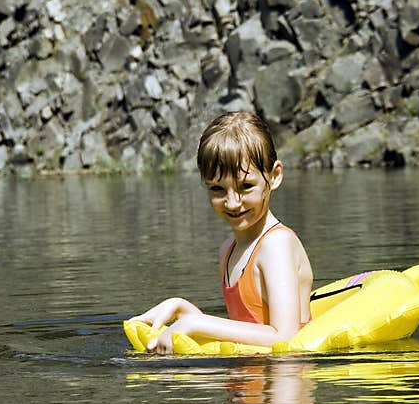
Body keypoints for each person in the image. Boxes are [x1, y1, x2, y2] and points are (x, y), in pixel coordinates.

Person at [131, 111, 313, 354]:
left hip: (284, 386)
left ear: (275, 176)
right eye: (217, 189)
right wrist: (183, 309)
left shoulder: (276, 245)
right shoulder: (228, 250)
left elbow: (286, 337)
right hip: (247, 385)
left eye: (245, 186)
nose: (232, 203)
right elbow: (245, 329)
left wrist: (197, 323)